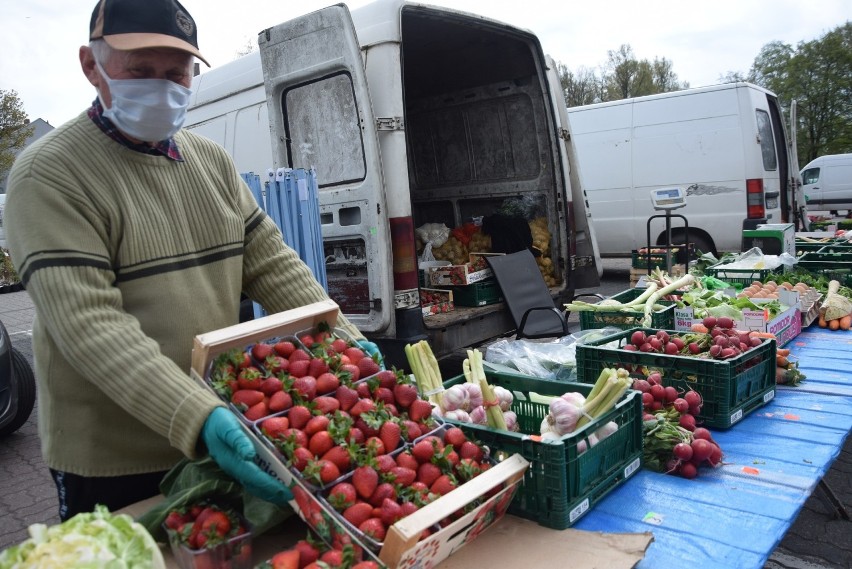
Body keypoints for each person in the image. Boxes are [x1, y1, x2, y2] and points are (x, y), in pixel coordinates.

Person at [5, 0, 379, 521]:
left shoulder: (210, 161)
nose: (161, 87)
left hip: (224, 426)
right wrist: (195, 414)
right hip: (117, 459)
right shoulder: (49, 176)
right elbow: (88, 324)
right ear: (92, 66)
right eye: (140, 71)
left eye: (176, 72)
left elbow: (274, 264)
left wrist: (349, 344)